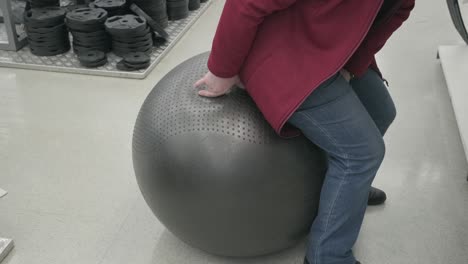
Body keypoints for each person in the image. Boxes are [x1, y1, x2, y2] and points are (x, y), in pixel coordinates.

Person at [194, 1, 416, 263]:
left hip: (335, 46)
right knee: (362, 153)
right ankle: (328, 256)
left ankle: (348, 192)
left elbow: (396, 11)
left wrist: (352, 67)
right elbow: (245, 3)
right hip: (284, 51)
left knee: (381, 112)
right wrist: (223, 69)